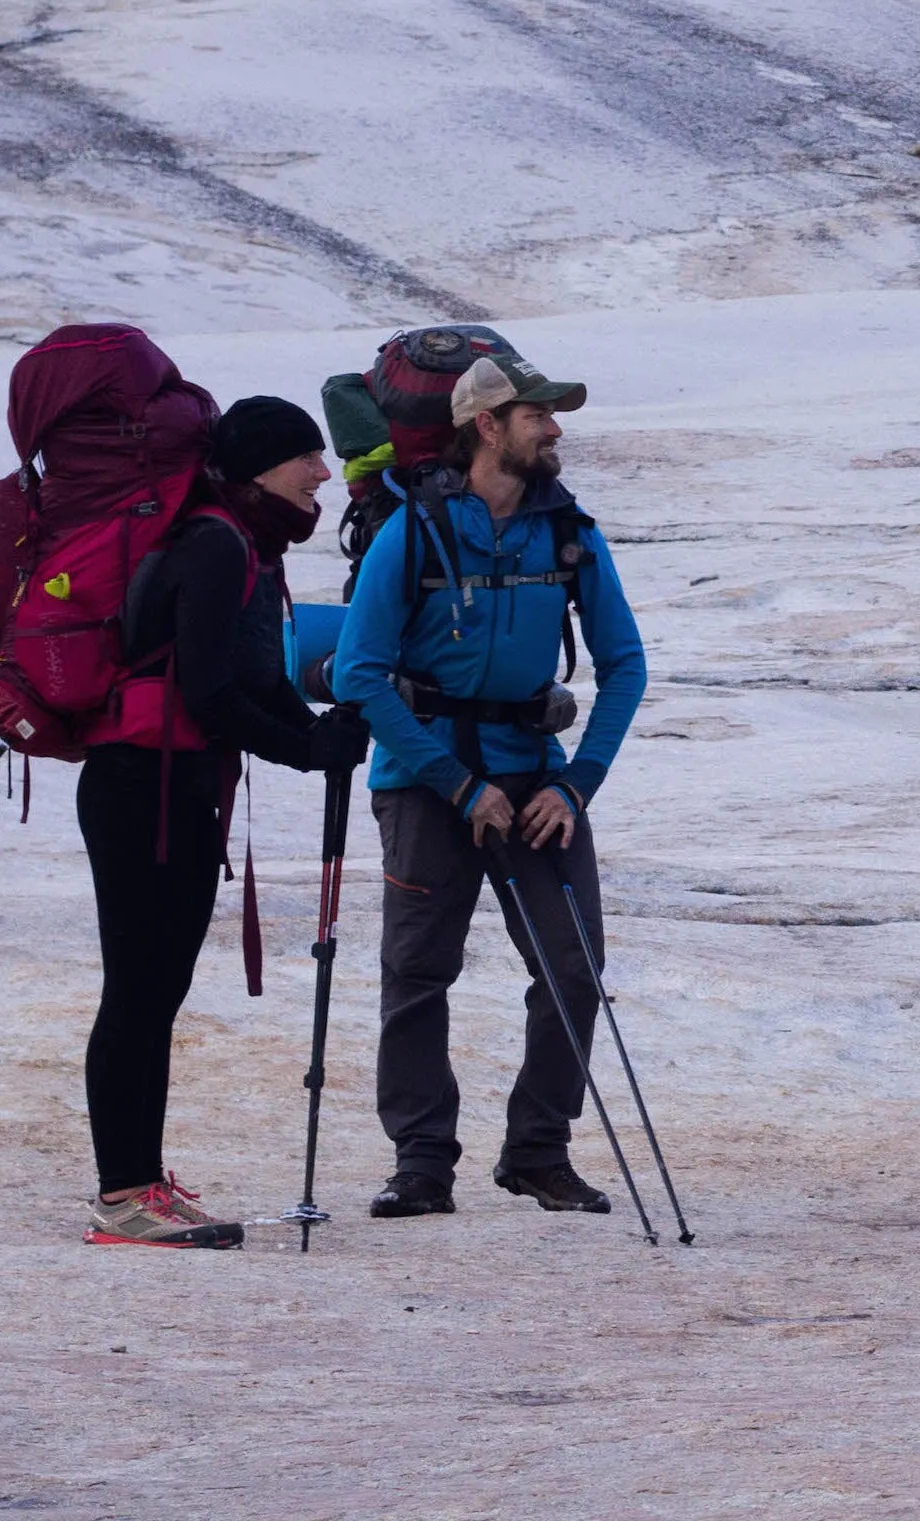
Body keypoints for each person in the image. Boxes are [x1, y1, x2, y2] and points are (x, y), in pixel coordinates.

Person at [332, 346, 649, 1220]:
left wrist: (576, 785)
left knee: (574, 968)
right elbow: (360, 673)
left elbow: (625, 666)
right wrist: (457, 785)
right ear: (487, 426)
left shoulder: (569, 530)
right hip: (427, 782)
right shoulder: (415, 530)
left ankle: (537, 1152)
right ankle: (423, 1161)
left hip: (536, 780)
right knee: (419, 970)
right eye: (537, 416)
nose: (553, 430)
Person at [76, 395, 368, 1248]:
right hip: (142, 790)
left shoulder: (246, 548)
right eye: (305, 457)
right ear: (257, 468)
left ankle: (141, 1182)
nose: (323, 472)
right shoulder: (211, 545)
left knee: (156, 992)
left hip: (174, 788)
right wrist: (305, 751)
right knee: (137, 990)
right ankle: (123, 1193)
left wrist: (319, 732)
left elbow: (257, 677)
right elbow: (207, 691)